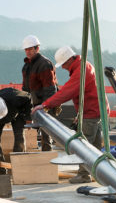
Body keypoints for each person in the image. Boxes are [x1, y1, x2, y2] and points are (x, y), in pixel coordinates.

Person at [32, 46, 109, 184]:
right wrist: (80, 113)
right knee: (95, 147)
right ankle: (99, 174)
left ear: (68, 61)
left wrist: (45, 105)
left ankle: (84, 175)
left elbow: (67, 92)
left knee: (84, 146)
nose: (62, 68)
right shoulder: (85, 65)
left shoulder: (81, 70)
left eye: (63, 65)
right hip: (98, 111)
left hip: (91, 113)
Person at [21, 35, 59, 151]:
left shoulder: (44, 64)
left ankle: (47, 156)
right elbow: (26, 89)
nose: (28, 52)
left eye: (30, 49)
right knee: (33, 129)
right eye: (26, 49)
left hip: (46, 103)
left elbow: (50, 89)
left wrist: (45, 107)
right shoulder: (27, 66)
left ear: (37, 49)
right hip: (34, 102)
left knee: (46, 131)